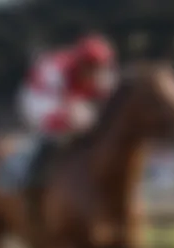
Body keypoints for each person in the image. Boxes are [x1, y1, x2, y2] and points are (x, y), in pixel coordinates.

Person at [17, 33, 117, 222]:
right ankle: (32, 183)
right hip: (38, 98)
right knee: (72, 121)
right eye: (92, 69)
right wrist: (74, 117)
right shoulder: (55, 69)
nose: (96, 75)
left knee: (87, 118)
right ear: (81, 65)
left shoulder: (102, 74)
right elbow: (69, 110)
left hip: (69, 99)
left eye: (100, 69)